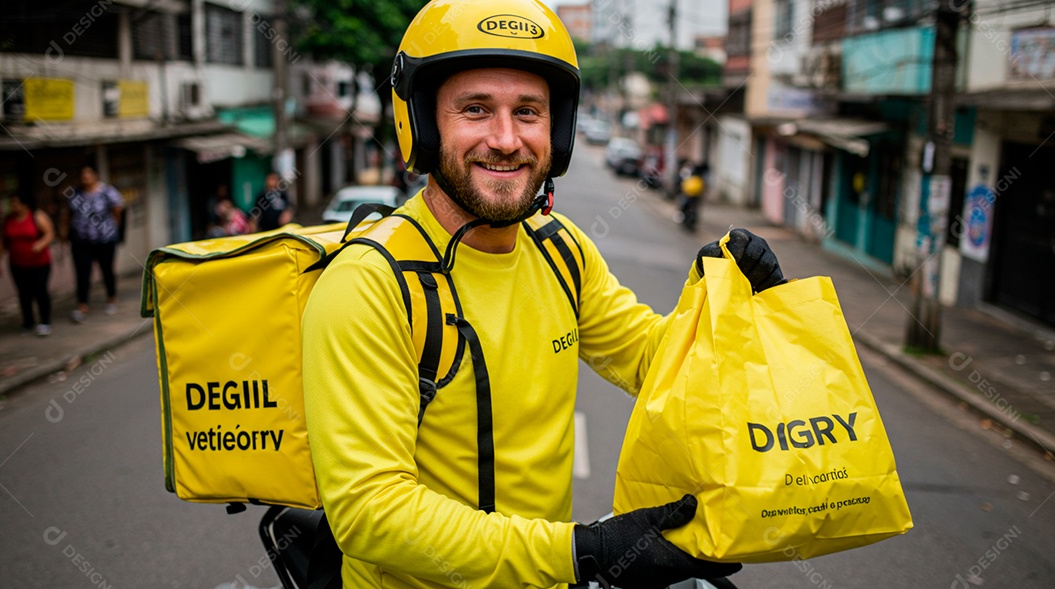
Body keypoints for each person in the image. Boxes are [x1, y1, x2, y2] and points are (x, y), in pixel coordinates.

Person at [301, 1, 786, 587]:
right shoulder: (370, 283)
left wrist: (725, 304)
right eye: (476, 109)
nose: (507, 140)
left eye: (528, 112)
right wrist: (584, 550)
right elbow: (370, 513)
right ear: (424, 125)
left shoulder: (560, 249)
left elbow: (657, 363)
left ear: (557, 130)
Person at [64, 165, 123, 322]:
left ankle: (111, 298)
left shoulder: (107, 192)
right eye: (83, 175)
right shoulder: (75, 194)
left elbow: (118, 210)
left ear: (95, 175)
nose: (85, 178)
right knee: (82, 273)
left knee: (107, 269)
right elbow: (68, 214)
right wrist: (65, 233)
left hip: (104, 239)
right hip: (81, 240)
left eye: (88, 174)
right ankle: (82, 305)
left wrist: (113, 229)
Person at [0, 194, 55, 336]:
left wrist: (40, 244)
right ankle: (28, 321)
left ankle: (45, 321)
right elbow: (1, 241)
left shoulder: (37, 216)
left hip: (39, 263)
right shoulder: (8, 219)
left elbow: (50, 233)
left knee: (40, 291)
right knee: (24, 293)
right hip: (17, 264)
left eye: (15, 203)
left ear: (25, 204)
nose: (13, 206)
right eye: (12, 203)